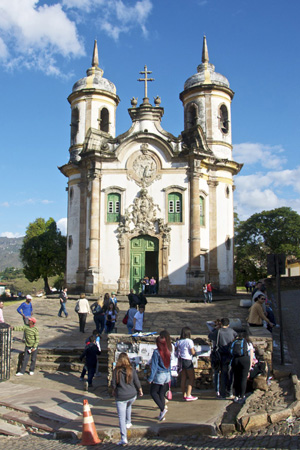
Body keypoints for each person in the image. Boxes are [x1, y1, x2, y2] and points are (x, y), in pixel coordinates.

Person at [112, 352, 143, 445]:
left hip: (121, 396)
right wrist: (140, 390)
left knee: (121, 418)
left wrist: (114, 391)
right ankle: (128, 422)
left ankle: (123, 437)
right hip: (132, 395)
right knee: (128, 405)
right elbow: (136, 381)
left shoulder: (116, 371)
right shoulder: (131, 369)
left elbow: (113, 384)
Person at [208, 318, 237, 399]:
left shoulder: (218, 331)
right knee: (229, 374)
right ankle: (230, 391)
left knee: (220, 374)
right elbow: (236, 336)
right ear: (228, 324)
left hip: (220, 355)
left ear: (221, 324)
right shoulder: (232, 331)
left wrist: (216, 328)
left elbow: (210, 336)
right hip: (229, 355)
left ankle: (221, 393)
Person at [148, 336, 171, 421]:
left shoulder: (156, 352)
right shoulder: (168, 351)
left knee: (153, 392)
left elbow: (154, 366)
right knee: (161, 393)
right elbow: (169, 365)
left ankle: (162, 408)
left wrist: (150, 378)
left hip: (160, 375)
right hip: (167, 374)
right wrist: (170, 377)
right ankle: (161, 415)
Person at [175, 327, 198, 401]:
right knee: (191, 377)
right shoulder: (189, 341)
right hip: (187, 360)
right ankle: (188, 394)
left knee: (183, 377)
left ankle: (184, 394)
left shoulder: (178, 341)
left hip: (180, 360)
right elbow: (192, 352)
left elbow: (175, 350)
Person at [231, 331, 254, 403]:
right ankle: (242, 395)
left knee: (236, 377)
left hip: (235, 360)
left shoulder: (234, 342)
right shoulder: (248, 343)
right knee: (243, 378)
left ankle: (236, 396)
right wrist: (249, 367)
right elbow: (251, 355)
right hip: (245, 360)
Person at [209, 319, 222, 397]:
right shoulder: (229, 331)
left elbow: (208, 324)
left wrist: (214, 326)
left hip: (216, 354)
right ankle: (223, 389)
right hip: (224, 354)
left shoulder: (215, 332)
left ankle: (217, 389)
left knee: (216, 372)